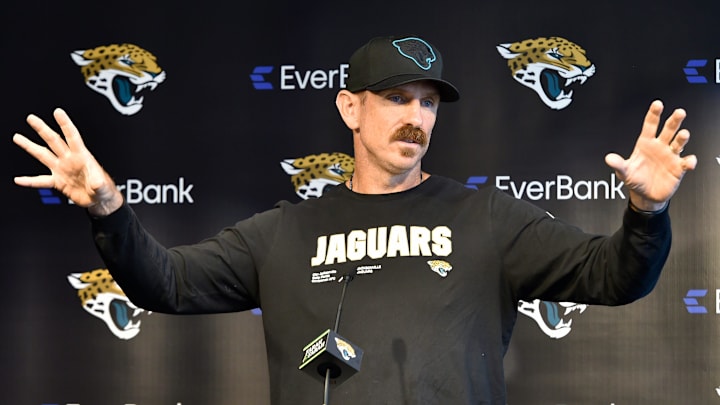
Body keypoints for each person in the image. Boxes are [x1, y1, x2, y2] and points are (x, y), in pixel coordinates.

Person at [13, 35, 697, 405]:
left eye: (428, 102)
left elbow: (617, 279)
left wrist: (648, 211)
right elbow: (164, 283)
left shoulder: (488, 216)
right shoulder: (280, 232)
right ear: (349, 109)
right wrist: (108, 208)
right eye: (397, 97)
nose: (415, 118)